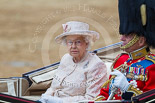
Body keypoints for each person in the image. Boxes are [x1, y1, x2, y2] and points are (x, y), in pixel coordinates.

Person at [94, 0, 155, 101]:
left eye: (127, 35)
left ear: (141, 40)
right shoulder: (121, 60)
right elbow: (104, 93)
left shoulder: (152, 66)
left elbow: (150, 100)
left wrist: (128, 89)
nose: (121, 38)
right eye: (122, 34)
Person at [39, 21, 108, 103]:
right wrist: (46, 97)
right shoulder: (66, 58)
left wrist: (61, 101)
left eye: (78, 42)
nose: (73, 46)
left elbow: (92, 98)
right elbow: (53, 88)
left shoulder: (96, 65)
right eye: (70, 42)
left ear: (86, 43)